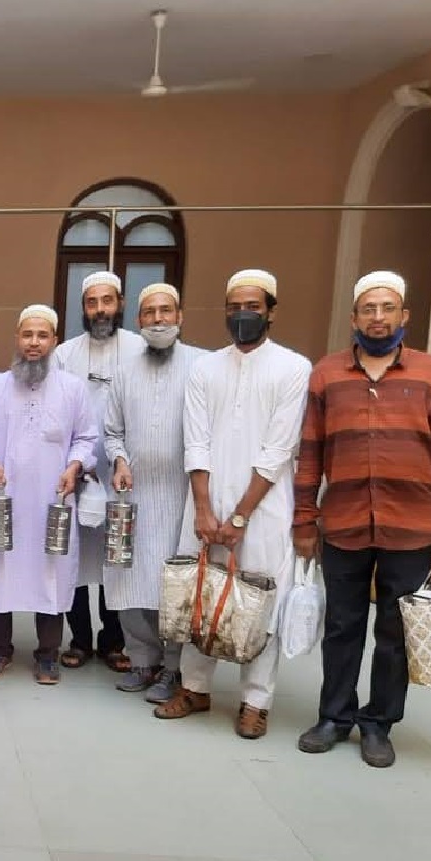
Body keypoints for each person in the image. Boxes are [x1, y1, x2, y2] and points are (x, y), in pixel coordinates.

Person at [293, 271, 431, 768]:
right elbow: (311, 452)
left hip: (412, 527)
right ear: (353, 318)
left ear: (403, 315)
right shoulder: (327, 374)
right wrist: (304, 518)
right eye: (368, 309)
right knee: (342, 626)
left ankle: (379, 724)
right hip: (344, 524)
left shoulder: (430, 373)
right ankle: (334, 717)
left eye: (387, 308)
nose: (377, 317)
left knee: (394, 632)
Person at [155, 269, 310, 740]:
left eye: (253, 307)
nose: (243, 315)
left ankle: (255, 702)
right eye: (235, 307)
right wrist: (204, 509)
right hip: (206, 500)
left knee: (259, 598)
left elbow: (278, 449)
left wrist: (241, 514)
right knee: (198, 594)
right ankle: (194, 688)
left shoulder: (293, 368)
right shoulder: (205, 369)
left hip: (265, 507)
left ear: (271, 312)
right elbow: (195, 441)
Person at [0, 305, 98, 685]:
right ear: (17, 338)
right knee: (2, 571)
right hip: (5, 498)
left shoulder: (73, 389)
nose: (34, 342)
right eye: (27, 335)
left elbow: (87, 438)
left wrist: (74, 466)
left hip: (53, 499)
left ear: (54, 341)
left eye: (42, 335)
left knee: (51, 573)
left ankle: (48, 656)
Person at [102, 283, 205, 702]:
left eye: (165, 311)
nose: (158, 319)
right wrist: (120, 460)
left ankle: (174, 668)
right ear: (139, 320)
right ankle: (142, 660)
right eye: (149, 312)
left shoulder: (202, 365)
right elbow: (112, 431)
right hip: (134, 494)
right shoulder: (125, 370)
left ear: (180, 317)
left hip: (184, 497)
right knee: (128, 579)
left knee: (176, 584)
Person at [52, 270, 144, 674]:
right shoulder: (65, 354)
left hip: (125, 471)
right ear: (83, 308)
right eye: (92, 302)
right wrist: (76, 463)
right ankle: (79, 639)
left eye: (107, 301)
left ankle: (114, 641)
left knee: (114, 557)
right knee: (75, 557)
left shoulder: (140, 349)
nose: (100, 310)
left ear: (120, 303)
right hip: (77, 470)